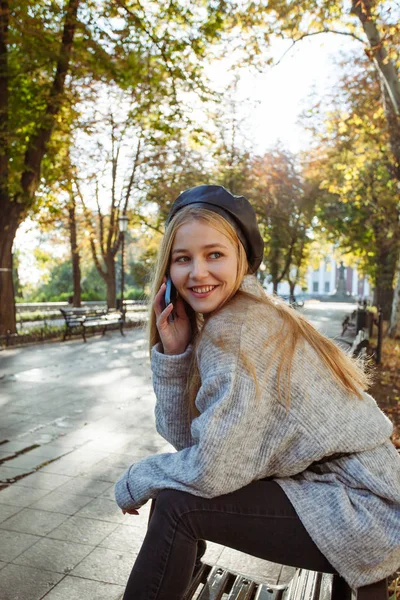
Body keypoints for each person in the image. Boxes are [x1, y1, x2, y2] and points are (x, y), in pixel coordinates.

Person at [114, 185, 400, 600]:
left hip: (366, 512)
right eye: (183, 259)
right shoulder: (237, 318)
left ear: (240, 259)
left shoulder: (239, 330)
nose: (197, 273)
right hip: (351, 499)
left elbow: (209, 470)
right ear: (168, 273)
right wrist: (175, 357)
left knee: (177, 507)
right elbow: (195, 445)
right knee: (176, 496)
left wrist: (138, 476)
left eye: (214, 254)